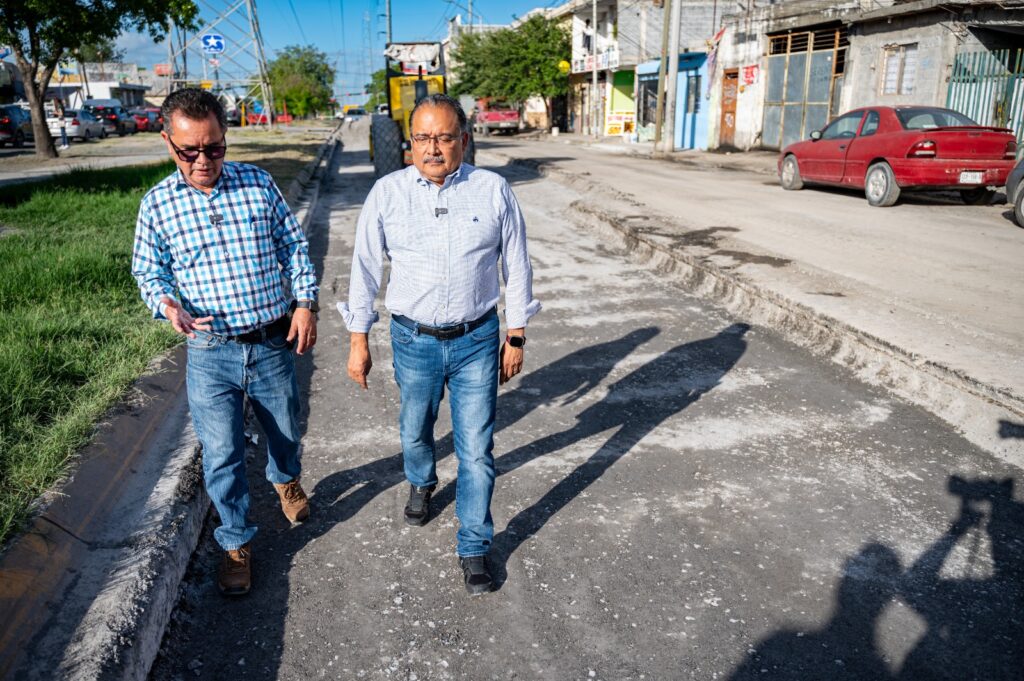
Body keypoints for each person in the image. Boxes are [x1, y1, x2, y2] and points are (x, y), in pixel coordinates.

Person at [340, 93, 540, 595]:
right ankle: (422, 479)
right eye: (423, 138)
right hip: (414, 340)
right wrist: (358, 339)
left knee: (477, 450)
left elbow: (516, 265)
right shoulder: (387, 193)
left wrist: (516, 333)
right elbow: (364, 270)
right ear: (409, 143)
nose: (433, 148)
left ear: (463, 141)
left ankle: (473, 545)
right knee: (415, 429)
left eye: (444, 137)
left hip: (477, 339)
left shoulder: (492, 190)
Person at [131, 88, 319, 596]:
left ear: (225, 138)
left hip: (270, 342)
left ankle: (285, 478)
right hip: (210, 351)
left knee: (285, 431)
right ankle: (236, 542)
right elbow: (149, 271)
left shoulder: (258, 184)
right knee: (221, 455)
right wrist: (166, 303)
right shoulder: (157, 205)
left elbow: (293, 246)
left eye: (213, 148)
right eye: (189, 151)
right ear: (168, 143)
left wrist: (305, 302)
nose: (202, 161)